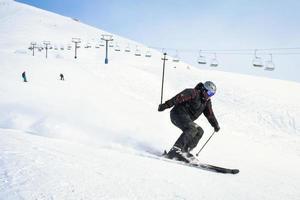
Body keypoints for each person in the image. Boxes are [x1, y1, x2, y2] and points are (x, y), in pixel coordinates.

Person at [158, 81, 220, 162]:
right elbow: (177, 98)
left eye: (211, 94)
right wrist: (166, 105)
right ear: (204, 90)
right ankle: (175, 150)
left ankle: (184, 151)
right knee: (192, 128)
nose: (209, 96)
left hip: (187, 119)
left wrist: (215, 125)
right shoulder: (193, 93)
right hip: (177, 114)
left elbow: (210, 114)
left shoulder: (206, 102)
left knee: (199, 131)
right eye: (208, 93)